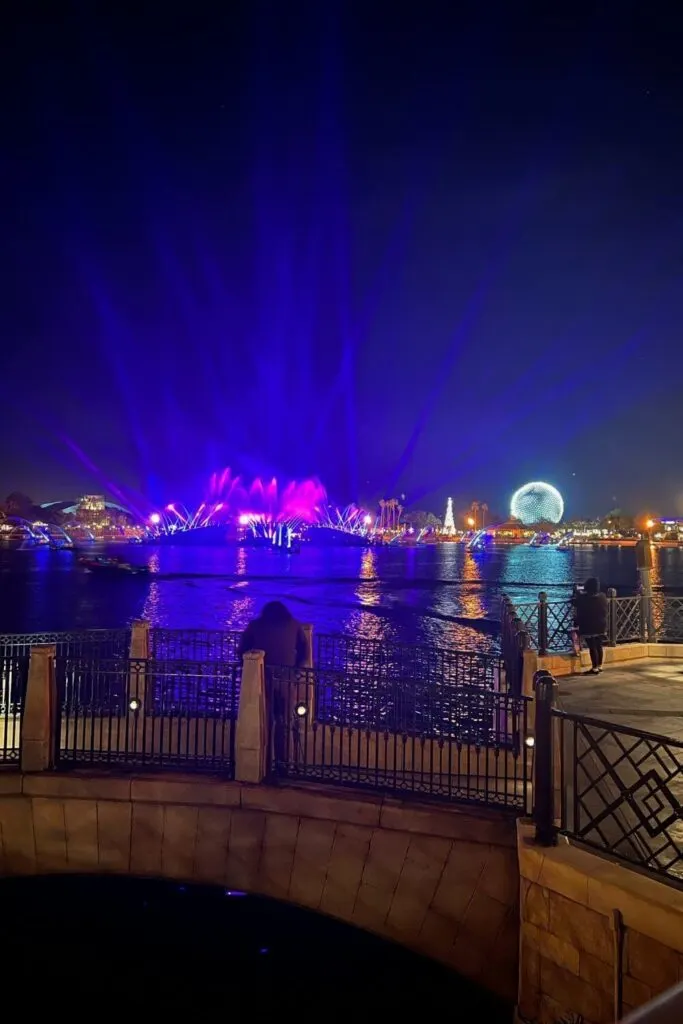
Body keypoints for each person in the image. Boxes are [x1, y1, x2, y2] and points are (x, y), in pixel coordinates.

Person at [237, 601, 309, 768]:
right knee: (284, 721)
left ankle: (264, 762)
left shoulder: (256, 625)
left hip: (263, 680)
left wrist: (248, 669)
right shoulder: (294, 625)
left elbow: (241, 650)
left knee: (264, 721)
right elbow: (304, 649)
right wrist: (296, 669)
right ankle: (282, 762)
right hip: (286, 680)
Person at [573, 578, 608, 674]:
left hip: (590, 626)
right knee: (599, 645)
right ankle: (600, 666)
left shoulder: (585, 598)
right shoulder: (603, 596)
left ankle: (594, 668)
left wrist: (577, 592)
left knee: (592, 646)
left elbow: (576, 603)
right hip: (601, 625)